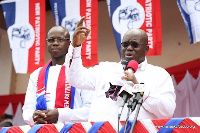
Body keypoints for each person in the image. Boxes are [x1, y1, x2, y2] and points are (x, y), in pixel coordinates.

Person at [65, 17, 176, 122]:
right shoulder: (104, 69)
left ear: (146, 49)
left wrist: (137, 88)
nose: (129, 48)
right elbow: (75, 79)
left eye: (135, 44)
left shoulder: (158, 74)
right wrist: (75, 46)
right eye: (125, 44)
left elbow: (167, 111)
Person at [22, 26, 93, 125]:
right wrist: (34, 116)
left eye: (60, 39)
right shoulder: (36, 75)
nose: (55, 43)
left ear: (69, 44)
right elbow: (27, 109)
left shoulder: (81, 73)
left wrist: (60, 114)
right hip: (43, 130)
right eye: (51, 40)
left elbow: (90, 110)